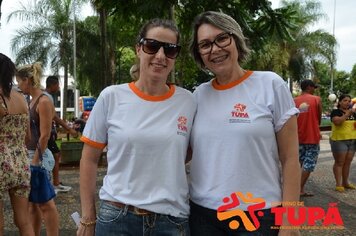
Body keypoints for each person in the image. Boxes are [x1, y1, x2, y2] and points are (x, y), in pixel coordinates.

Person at [77, 18, 196, 236]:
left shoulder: (188, 101)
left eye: (170, 50)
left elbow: (188, 152)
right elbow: (89, 159)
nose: (160, 56)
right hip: (116, 219)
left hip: (170, 222)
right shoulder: (111, 97)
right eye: (152, 46)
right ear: (138, 49)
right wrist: (87, 217)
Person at [188, 11, 301, 235]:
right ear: (199, 54)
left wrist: (290, 222)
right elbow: (184, 151)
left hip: (259, 217)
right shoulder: (198, 96)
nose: (215, 49)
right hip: (203, 217)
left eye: (222, 38)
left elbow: (290, 159)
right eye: (205, 44)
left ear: (236, 40)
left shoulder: (270, 84)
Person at [16, 63, 59, 236]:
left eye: (19, 81)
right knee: (33, 204)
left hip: (37, 157)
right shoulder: (31, 100)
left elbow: (45, 135)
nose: (18, 85)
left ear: (27, 80)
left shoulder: (43, 101)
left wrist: (35, 162)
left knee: (46, 203)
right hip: (30, 155)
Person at [0, 53, 34, 235]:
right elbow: (28, 136)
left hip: (0, 164)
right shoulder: (21, 98)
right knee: (23, 221)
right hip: (21, 163)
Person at [44, 75, 77, 193]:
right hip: (46, 132)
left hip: (47, 131)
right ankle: (54, 184)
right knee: (54, 155)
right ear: (52, 85)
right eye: (57, 85)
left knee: (54, 155)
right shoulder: (47, 97)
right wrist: (68, 128)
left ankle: (54, 183)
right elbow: (54, 116)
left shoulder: (46, 96)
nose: (58, 87)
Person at [294, 80, 322, 197]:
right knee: (309, 164)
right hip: (312, 136)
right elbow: (319, 118)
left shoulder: (294, 100)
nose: (314, 89)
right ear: (309, 87)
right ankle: (299, 190)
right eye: (313, 87)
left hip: (298, 136)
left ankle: (293, 188)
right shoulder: (316, 99)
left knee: (298, 163)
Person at [330, 94, 356, 192]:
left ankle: (346, 183)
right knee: (340, 162)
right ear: (340, 102)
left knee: (348, 162)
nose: (347, 102)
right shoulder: (336, 112)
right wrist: (347, 114)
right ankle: (338, 184)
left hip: (352, 140)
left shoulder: (353, 113)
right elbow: (337, 122)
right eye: (345, 100)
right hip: (339, 140)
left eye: (349, 101)